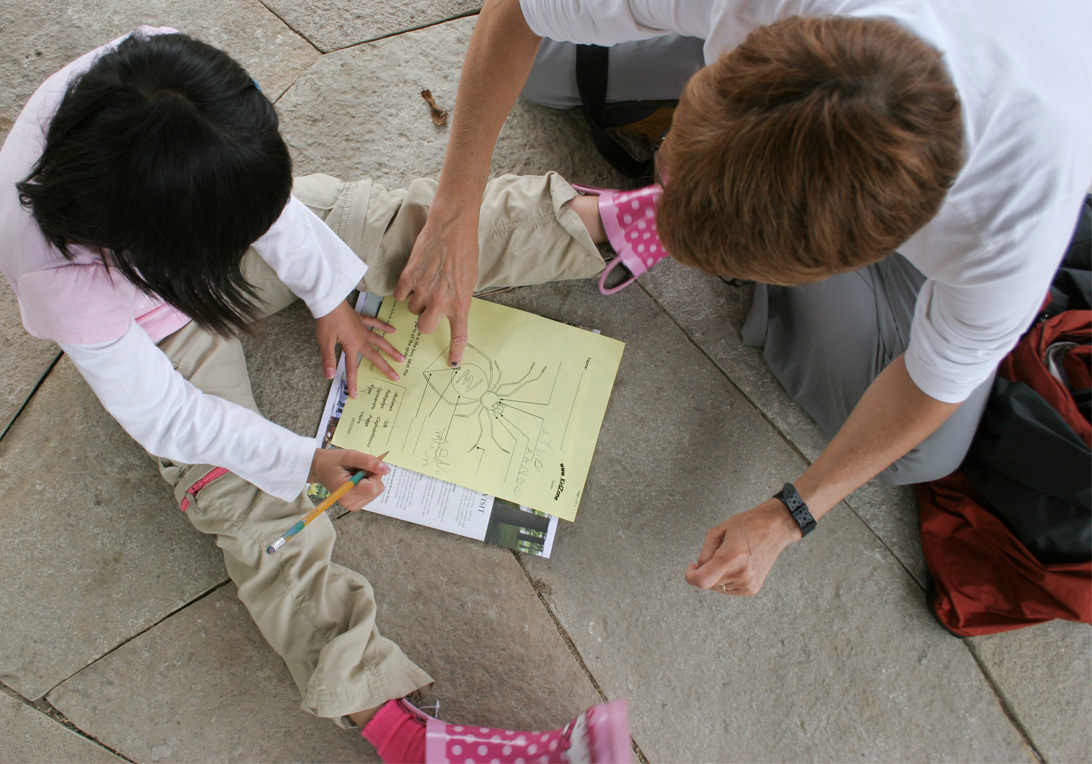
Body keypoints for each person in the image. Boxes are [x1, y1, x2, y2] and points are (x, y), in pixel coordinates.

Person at [0, 27, 632, 764]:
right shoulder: (58, 278)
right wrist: (304, 460)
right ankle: (397, 726)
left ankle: (608, 225)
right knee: (245, 509)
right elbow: (168, 415)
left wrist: (331, 295)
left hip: (196, 230)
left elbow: (275, 212)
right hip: (161, 333)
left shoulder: (167, 76)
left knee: (392, 227)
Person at [398, 0, 1092, 597]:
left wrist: (791, 514)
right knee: (545, 64)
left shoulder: (1013, 220)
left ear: (857, 255)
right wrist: (457, 206)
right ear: (735, 60)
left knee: (923, 455)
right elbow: (515, 11)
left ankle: (673, 225)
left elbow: (932, 387)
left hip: (999, 154)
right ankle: (661, 213)